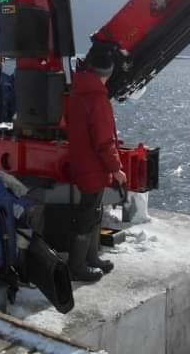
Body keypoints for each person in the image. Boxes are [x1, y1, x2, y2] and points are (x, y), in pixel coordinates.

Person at [66, 47, 127, 281]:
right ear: (108, 73)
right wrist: (116, 169)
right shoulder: (98, 98)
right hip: (94, 166)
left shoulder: (78, 92)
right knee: (87, 214)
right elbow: (103, 142)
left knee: (92, 212)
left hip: (82, 162)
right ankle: (77, 266)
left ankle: (91, 259)